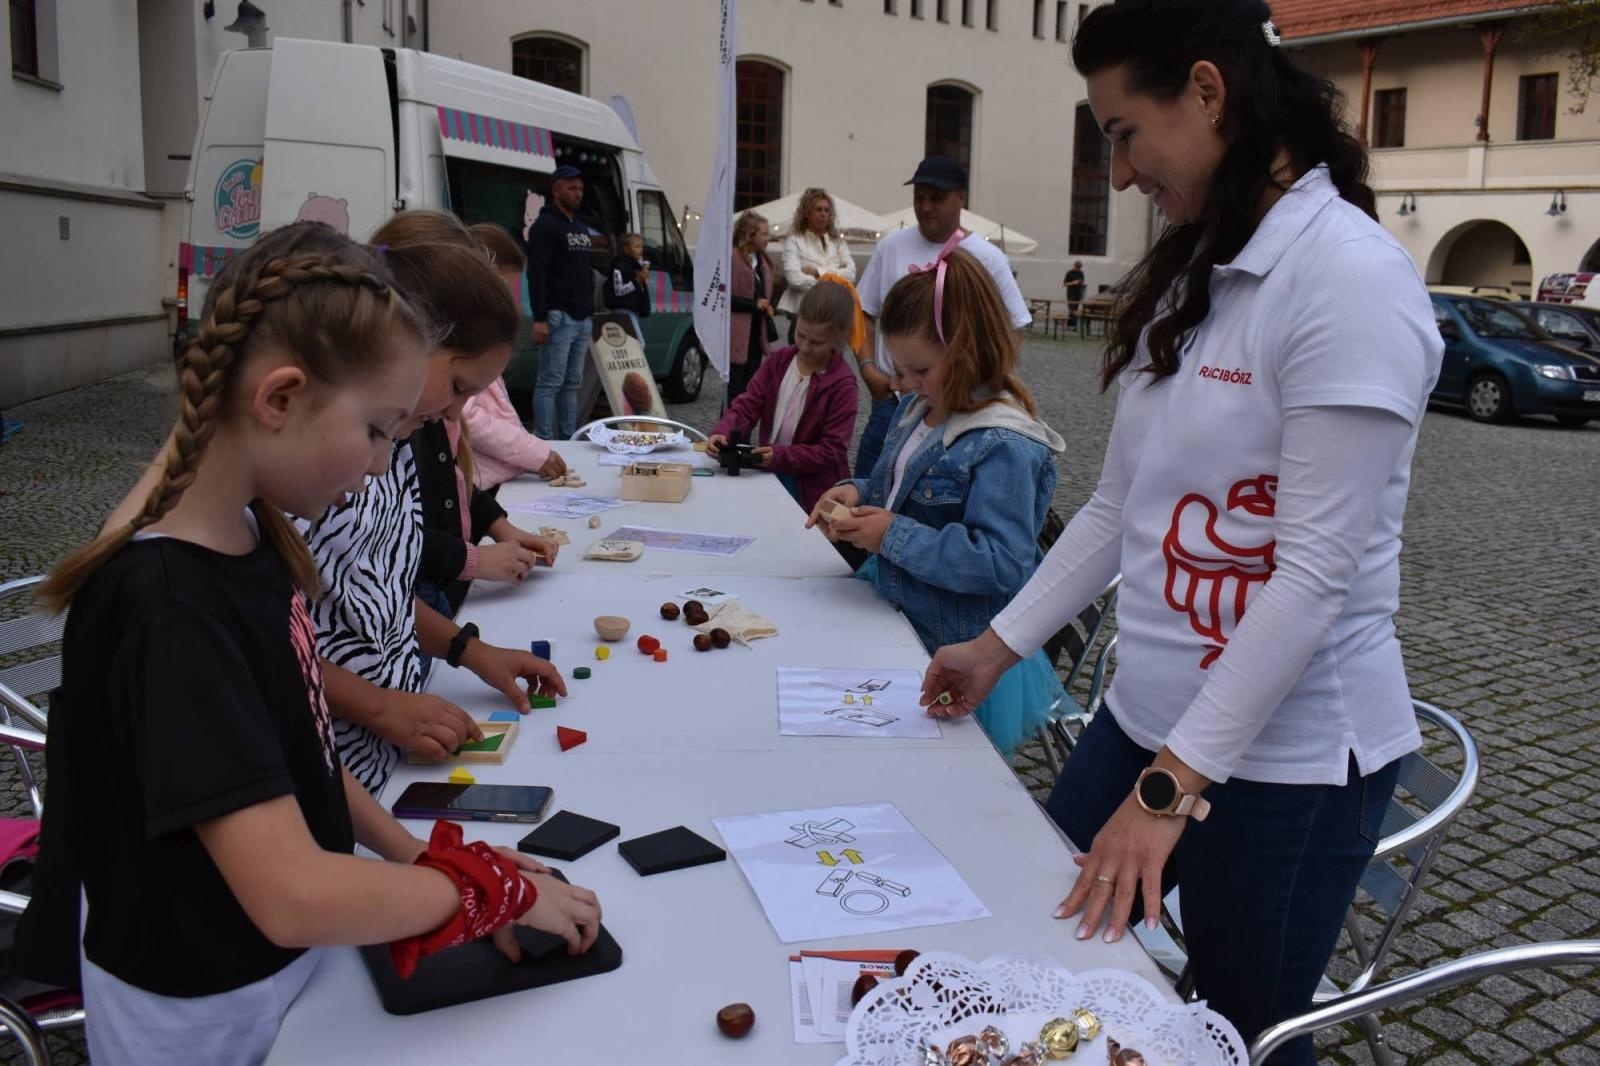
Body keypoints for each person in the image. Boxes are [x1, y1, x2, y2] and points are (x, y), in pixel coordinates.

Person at [917, 2, 1443, 1060]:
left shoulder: (1349, 280)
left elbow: (1313, 577)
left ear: (1208, 92)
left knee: (1242, 1031)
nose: (1118, 175)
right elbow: (1118, 507)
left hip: (1287, 764)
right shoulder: (1198, 276)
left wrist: (1166, 790)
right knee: (1045, 956)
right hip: (1148, 715)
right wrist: (995, 644)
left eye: (1122, 133)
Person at [15, 222, 601, 1066]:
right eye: (375, 431)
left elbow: (299, 757)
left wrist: (427, 861)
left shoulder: (252, 541)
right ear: (280, 399)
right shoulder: (170, 607)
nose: (377, 468)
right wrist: (486, 895)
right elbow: (290, 894)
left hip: (284, 978)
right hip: (205, 1016)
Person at [303, 210, 569, 793]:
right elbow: (273, 655)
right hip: (335, 771)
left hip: (386, 763)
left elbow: (381, 592)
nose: (455, 414)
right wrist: (379, 708)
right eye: (457, 388)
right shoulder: (315, 471)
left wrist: (468, 650)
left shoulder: (396, 445)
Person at [807, 244, 1066, 760]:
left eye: (918, 370)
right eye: (899, 371)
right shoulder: (919, 406)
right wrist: (857, 494)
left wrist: (890, 535)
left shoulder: (1005, 443)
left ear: (967, 349)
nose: (904, 385)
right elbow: (892, 488)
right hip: (894, 615)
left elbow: (1001, 563)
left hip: (951, 643)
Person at [854, 155, 1032, 479]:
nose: (925, 207)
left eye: (936, 198)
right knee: (868, 487)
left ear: (960, 197)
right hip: (892, 399)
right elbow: (863, 312)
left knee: (936, 495)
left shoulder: (988, 258)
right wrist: (868, 369)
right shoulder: (891, 246)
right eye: (919, 197)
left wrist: (977, 383)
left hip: (957, 406)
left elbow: (1013, 328)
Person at [706, 280, 861, 514]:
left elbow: (832, 450)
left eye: (817, 342)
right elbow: (748, 404)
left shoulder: (842, 383)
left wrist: (781, 455)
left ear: (841, 337)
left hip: (815, 490)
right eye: (800, 335)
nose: (806, 347)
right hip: (772, 474)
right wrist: (724, 432)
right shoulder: (779, 361)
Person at [462, 222, 568, 492]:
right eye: (502, 291)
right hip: (479, 481)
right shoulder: (464, 337)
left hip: (489, 477)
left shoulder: (478, 330)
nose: (507, 301)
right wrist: (530, 451)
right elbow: (467, 416)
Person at [527, 165, 595, 441]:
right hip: (558, 315)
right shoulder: (544, 226)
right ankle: (543, 437)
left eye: (580, 188)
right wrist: (540, 317)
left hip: (581, 317)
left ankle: (569, 436)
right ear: (556, 190)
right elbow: (537, 273)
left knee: (572, 384)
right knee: (550, 381)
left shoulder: (579, 226)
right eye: (571, 187)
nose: (577, 193)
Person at [778, 188, 856, 343]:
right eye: (818, 209)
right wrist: (835, 278)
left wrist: (817, 272)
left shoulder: (837, 242)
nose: (823, 214)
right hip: (804, 316)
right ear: (807, 212)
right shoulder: (794, 240)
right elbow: (794, 278)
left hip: (833, 315)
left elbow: (851, 273)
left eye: (827, 210)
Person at [728, 210, 777, 406]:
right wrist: (754, 304)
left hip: (756, 334)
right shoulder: (733, 258)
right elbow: (724, 297)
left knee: (750, 389)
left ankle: (743, 434)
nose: (768, 237)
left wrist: (765, 305)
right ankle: (727, 434)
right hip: (737, 334)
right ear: (750, 235)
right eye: (763, 233)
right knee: (734, 389)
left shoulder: (763, 261)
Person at [604, 232, 652, 330]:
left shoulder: (635, 266)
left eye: (641, 247)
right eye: (637, 247)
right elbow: (618, 291)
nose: (641, 250)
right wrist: (637, 280)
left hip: (633, 310)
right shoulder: (619, 266)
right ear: (626, 249)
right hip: (623, 310)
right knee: (638, 343)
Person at [1063, 259, 1086, 326]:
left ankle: (1071, 325)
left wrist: (1080, 284)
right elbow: (1065, 284)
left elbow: (1082, 282)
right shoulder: (1070, 273)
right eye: (1077, 267)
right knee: (1071, 308)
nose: (1078, 269)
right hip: (1071, 293)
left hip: (1078, 292)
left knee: (1076, 308)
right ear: (1074, 266)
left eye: (1079, 268)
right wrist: (1073, 282)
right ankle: (1073, 324)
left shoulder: (1081, 273)